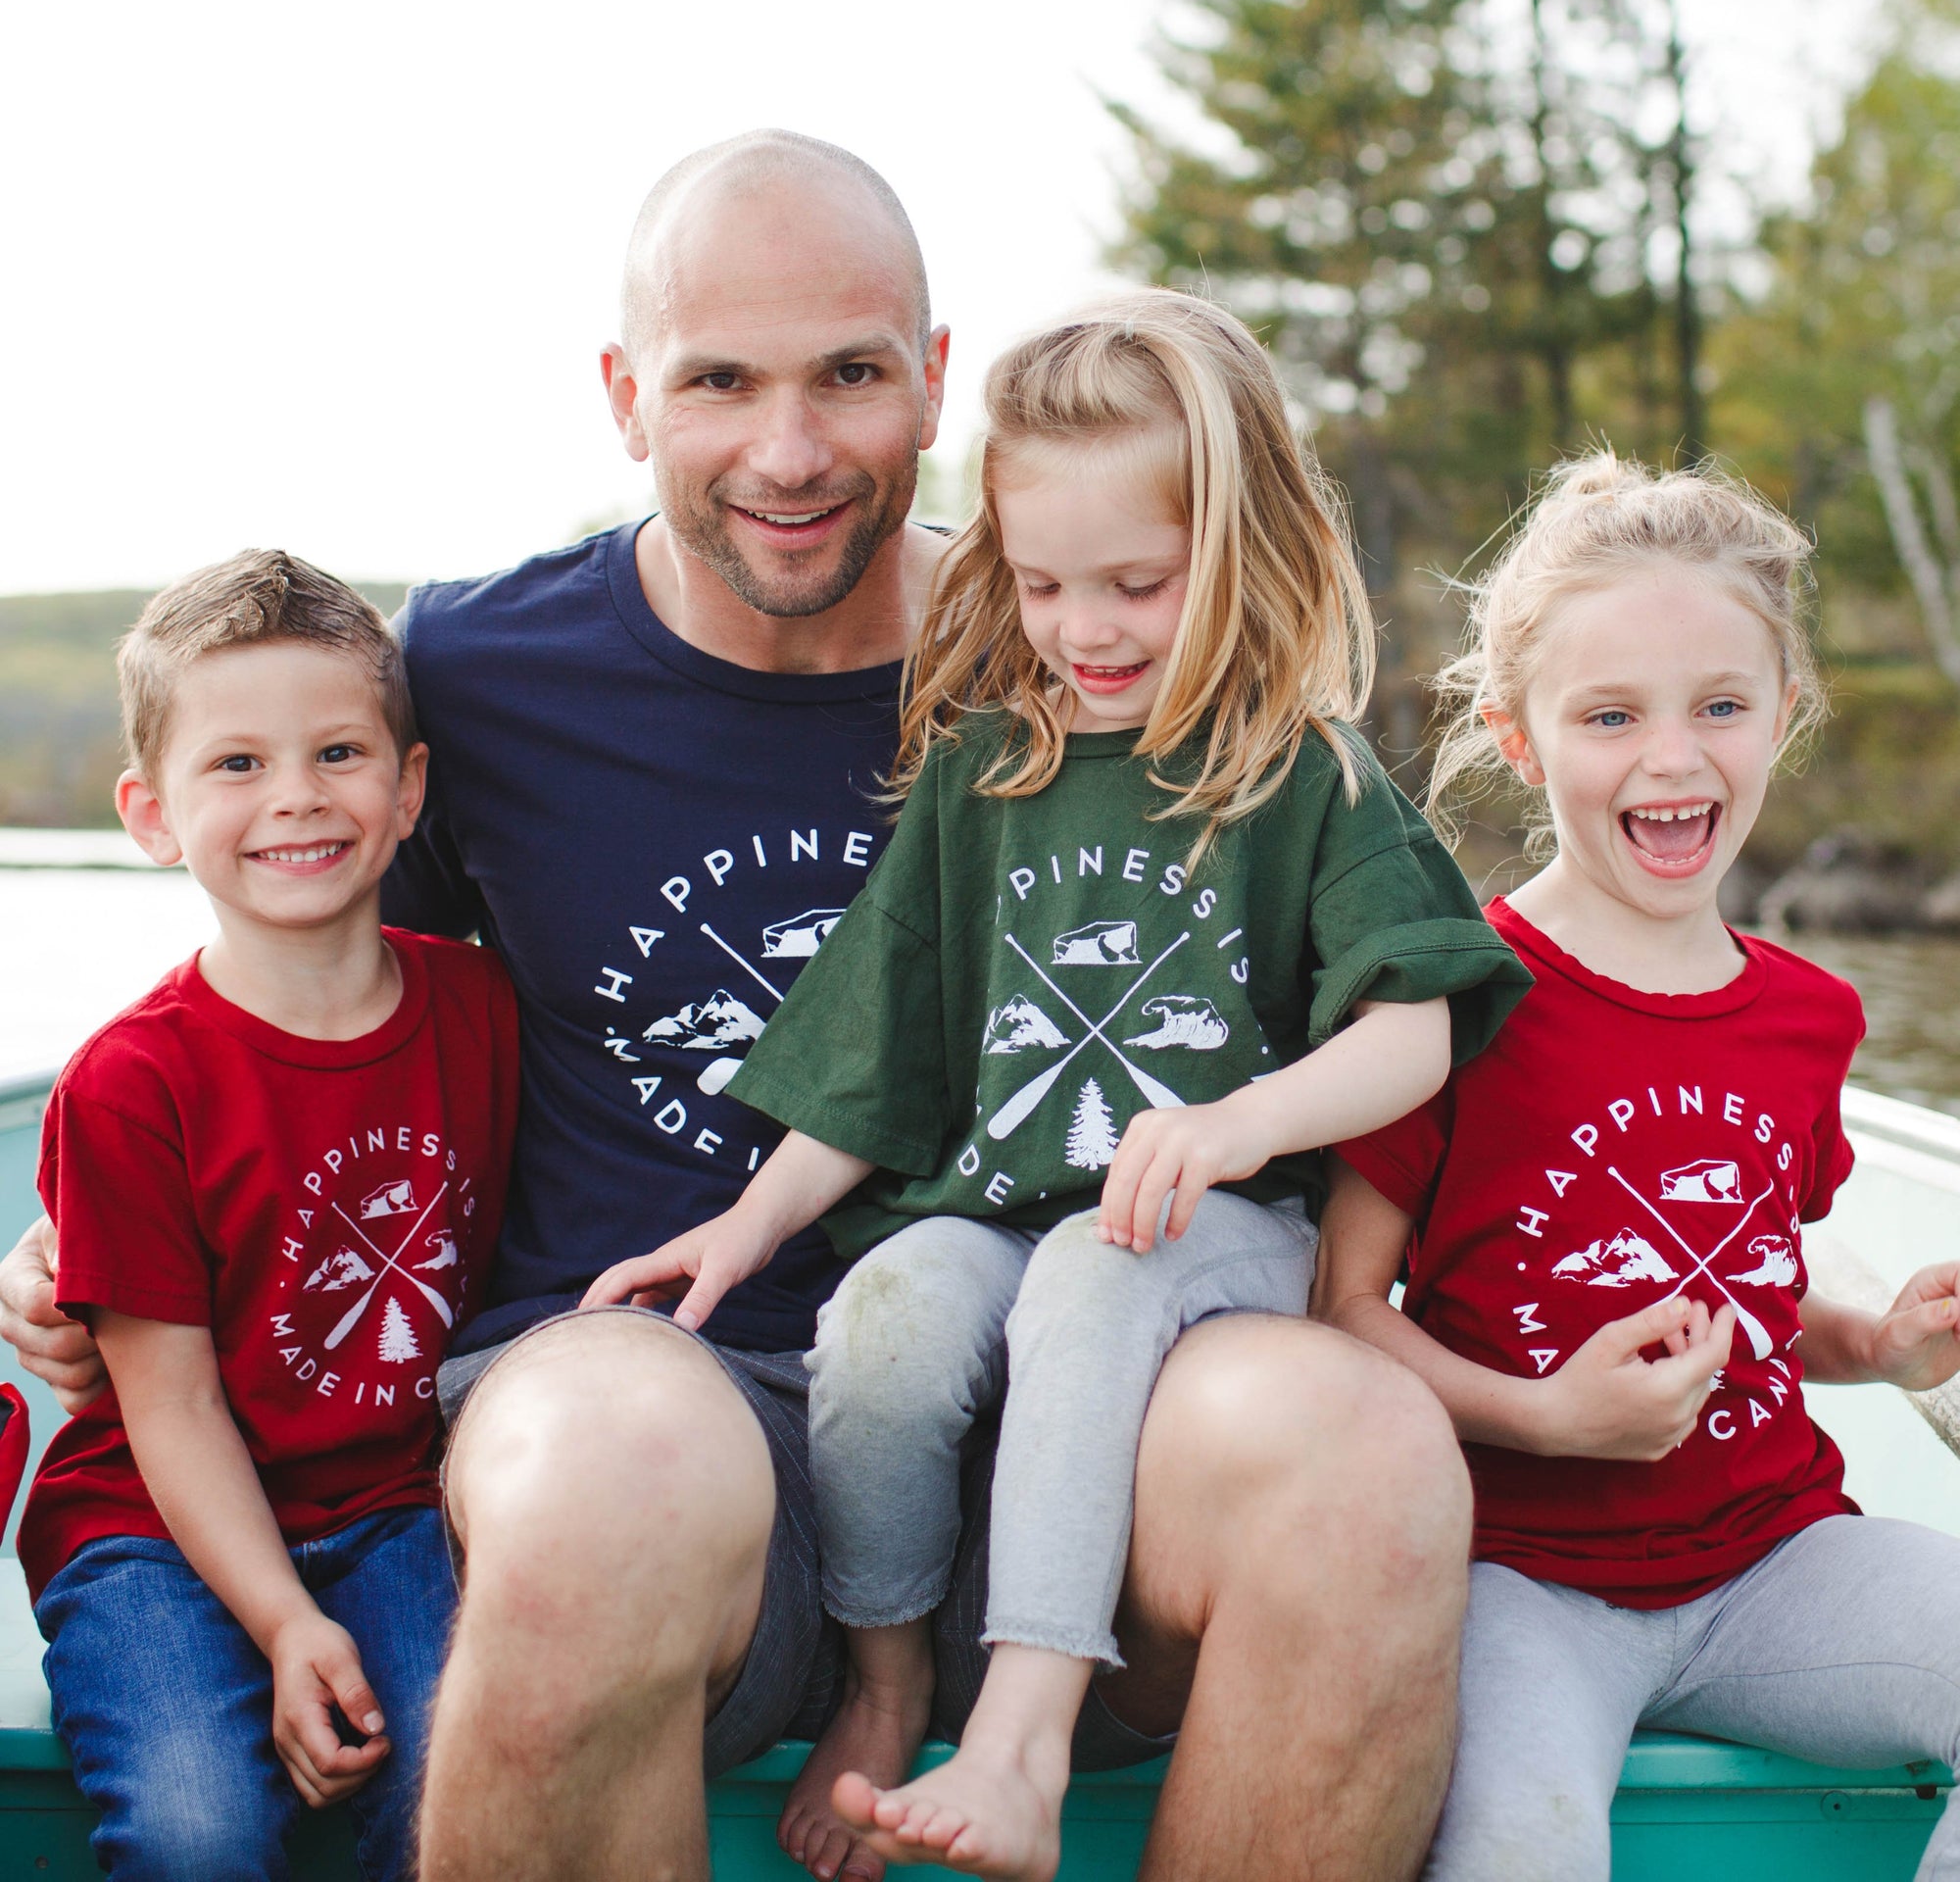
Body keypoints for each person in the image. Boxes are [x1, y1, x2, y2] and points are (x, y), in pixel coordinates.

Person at [1, 131, 1491, 1882]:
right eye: (720, 381)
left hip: (1103, 1421)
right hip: (680, 1421)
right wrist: (83, 1245)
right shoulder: (478, 678)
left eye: (850, 374)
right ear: (629, 396)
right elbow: (306, 1001)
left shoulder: (1080, 659)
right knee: (602, 1459)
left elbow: (1390, 1015)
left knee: (1367, 1458)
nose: (789, 452)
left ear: (934, 386)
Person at [587, 290, 1533, 1882]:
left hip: (1209, 1238)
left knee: (1099, 1270)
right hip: (1000, 1207)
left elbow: (1411, 1032)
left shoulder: (1302, 775)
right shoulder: (986, 770)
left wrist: (1237, 1126)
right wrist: (745, 1230)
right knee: (878, 1320)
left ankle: (1024, 1734)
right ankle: (889, 1683)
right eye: (1039, 583)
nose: (1083, 627)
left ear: (1238, 556)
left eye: (1137, 586)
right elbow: (876, 1050)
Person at [1312, 452, 1960, 1881]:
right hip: (1517, 1585)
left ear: (1781, 719)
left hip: (1775, 1563)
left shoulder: (1811, 1018)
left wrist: (1887, 1344)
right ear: (1523, 740)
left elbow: (1757, 1294)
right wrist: (1545, 1418)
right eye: (1612, 716)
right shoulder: (1454, 997)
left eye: (1721, 706)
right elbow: (1342, 1317)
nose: (1674, 758)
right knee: (1523, 1853)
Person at [17, 552, 518, 1880]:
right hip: (152, 1524)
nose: (295, 795)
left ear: (407, 790)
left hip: (395, 1501)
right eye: (236, 765)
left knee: (455, 1794)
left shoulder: (479, 1009)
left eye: (339, 752)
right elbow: (167, 1405)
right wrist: (289, 1624)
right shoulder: (133, 1084)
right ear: (151, 812)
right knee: (200, 1829)